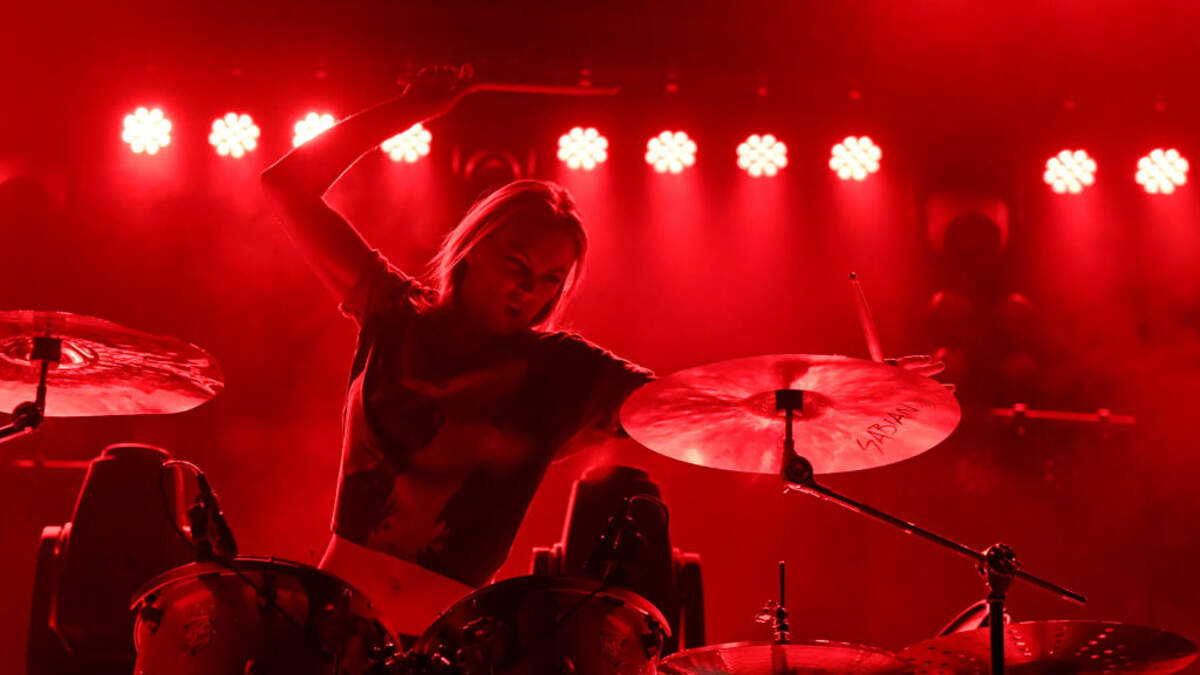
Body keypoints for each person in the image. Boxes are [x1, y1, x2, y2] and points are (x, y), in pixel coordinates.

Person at [261, 67, 945, 640]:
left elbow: (703, 403)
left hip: (453, 645)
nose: (529, 290)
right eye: (517, 265)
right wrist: (409, 109)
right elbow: (285, 183)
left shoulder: (563, 370)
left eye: (550, 280)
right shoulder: (391, 310)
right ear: (472, 249)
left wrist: (851, 384)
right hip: (333, 625)